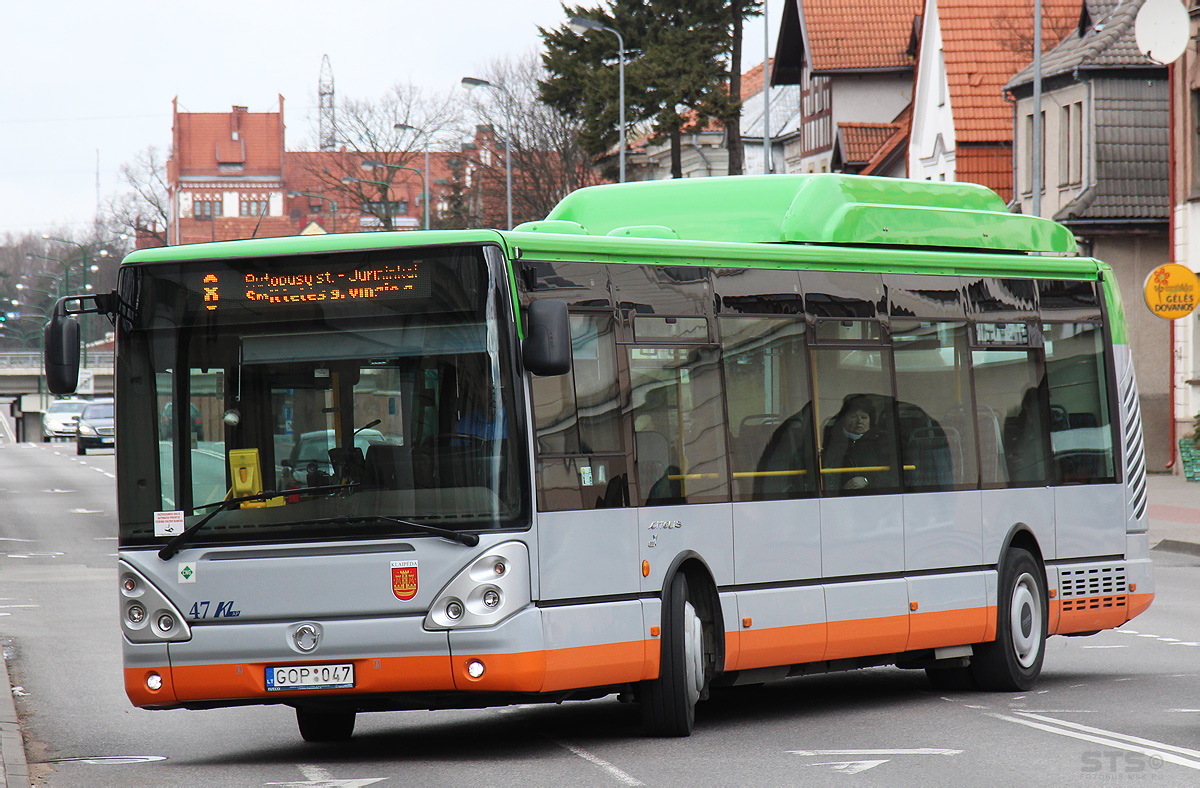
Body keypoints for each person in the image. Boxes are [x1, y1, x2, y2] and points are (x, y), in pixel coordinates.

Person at [821, 395, 894, 493]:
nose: (859, 421)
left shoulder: (881, 442)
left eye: (864, 417)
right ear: (844, 419)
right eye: (854, 416)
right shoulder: (830, 440)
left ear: (870, 421)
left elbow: (891, 474)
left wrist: (866, 481)